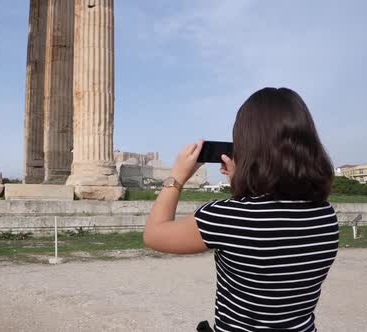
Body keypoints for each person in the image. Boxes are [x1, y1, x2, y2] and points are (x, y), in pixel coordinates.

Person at [143, 87, 338, 332]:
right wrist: (242, 178)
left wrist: (177, 177)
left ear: (248, 146)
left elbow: (154, 234)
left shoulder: (227, 216)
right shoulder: (326, 215)